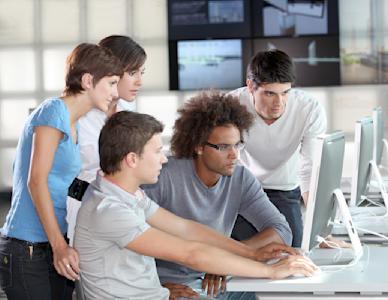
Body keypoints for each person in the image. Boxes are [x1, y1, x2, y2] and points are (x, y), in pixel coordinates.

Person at [73, 111, 317, 299]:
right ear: (132, 159)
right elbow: (191, 253)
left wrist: (250, 253)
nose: (163, 158)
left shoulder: (127, 194)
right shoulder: (109, 210)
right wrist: (271, 271)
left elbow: (187, 229)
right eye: (157, 151)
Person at [0, 43, 123, 299]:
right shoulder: (53, 111)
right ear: (88, 80)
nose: (115, 92)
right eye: (111, 83)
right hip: (29, 248)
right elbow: (37, 181)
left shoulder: (72, 121)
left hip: (53, 243)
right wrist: (60, 247)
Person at [143, 91, 293, 299]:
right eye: (223, 147)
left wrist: (225, 260)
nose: (234, 155)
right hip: (174, 286)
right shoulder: (163, 177)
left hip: (218, 281)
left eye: (237, 144)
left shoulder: (240, 178)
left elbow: (281, 229)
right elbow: (129, 240)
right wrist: (155, 290)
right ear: (198, 146)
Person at [229, 49, 327, 247]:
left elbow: (309, 170)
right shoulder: (230, 105)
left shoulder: (309, 109)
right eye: (269, 94)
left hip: (285, 189)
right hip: (243, 189)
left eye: (285, 93)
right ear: (250, 86)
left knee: (295, 248)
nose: (279, 103)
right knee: (238, 249)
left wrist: (321, 230)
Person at [66, 35, 146, 245]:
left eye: (141, 73)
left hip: (121, 210)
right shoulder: (79, 115)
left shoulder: (128, 112)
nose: (139, 81)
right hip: (80, 210)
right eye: (132, 73)